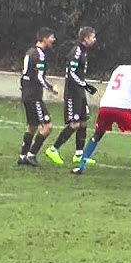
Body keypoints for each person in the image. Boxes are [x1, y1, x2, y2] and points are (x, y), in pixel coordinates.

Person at [73, 52, 131, 179]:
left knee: (97, 134)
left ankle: (81, 166)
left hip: (105, 105)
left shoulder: (119, 68)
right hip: (122, 107)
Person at [48, 27, 98, 165]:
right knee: (74, 124)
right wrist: (85, 85)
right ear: (86, 38)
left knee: (83, 122)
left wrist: (83, 86)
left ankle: (79, 154)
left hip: (79, 92)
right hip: (72, 93)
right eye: (93, 37)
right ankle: (53, 149)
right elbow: (71, 73)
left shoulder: (83, 51)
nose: (94, 40)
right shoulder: (76, 51)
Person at [19, 27, 62, 167]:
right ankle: (32, 154)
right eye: (51, 37)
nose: (53, 40)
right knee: (47, 126)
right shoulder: (40, 55)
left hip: (26, 94)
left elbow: (25, 74)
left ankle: (23, 155)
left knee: (32, 125)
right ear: (44, 39)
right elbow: (39, 77)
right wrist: (51, 88)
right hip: (34, 96)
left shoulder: (29, 52)